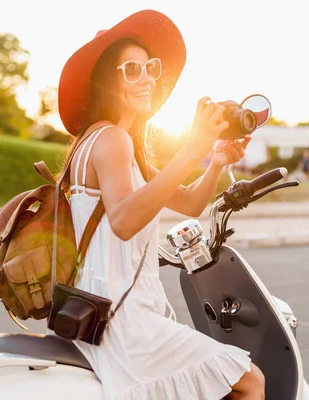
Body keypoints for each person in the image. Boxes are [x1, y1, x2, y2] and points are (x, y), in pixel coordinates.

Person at [56, 10, 264, 400]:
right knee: (250, 381)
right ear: (106, 80)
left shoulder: (111, 143)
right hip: (124, 318)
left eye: (150, 67)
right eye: (131, 69)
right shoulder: (112, 140)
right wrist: (190, 149)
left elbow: (188, 202)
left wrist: (215, 161)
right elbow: (123, 221)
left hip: (103, 313)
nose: (148, 77)